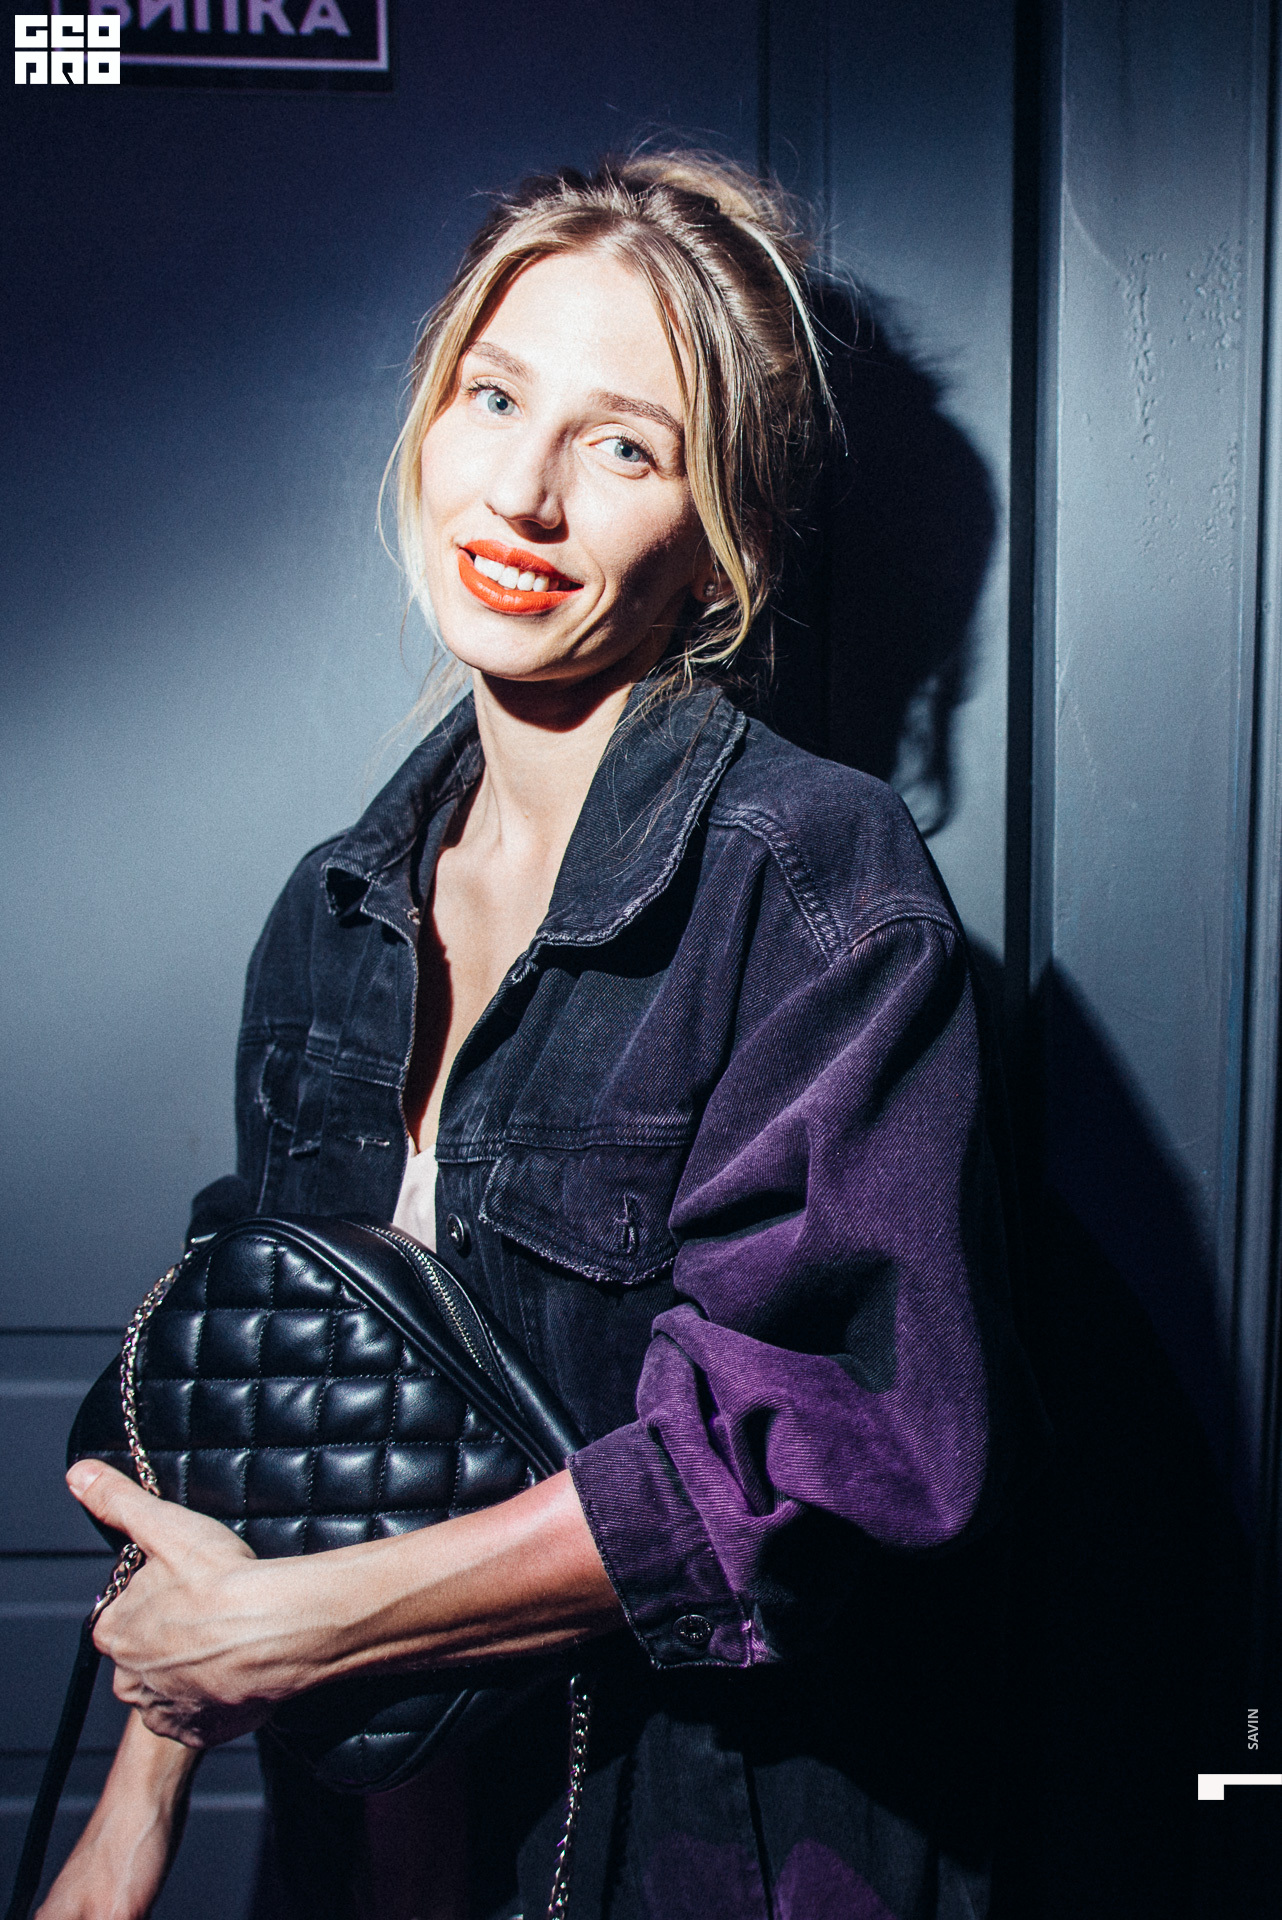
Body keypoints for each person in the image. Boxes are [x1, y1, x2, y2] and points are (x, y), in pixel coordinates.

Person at [40, 153, 1045, 1920]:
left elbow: (837, 1452)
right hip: (376, 1847)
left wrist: (297, 1628)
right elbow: (268, 1388)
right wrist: (136, 1809)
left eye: (624, 447)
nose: (520, 492)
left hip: (683, 1841)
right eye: (494, 399)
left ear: (719, 539)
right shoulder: (337, 911)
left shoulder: (807, 882)